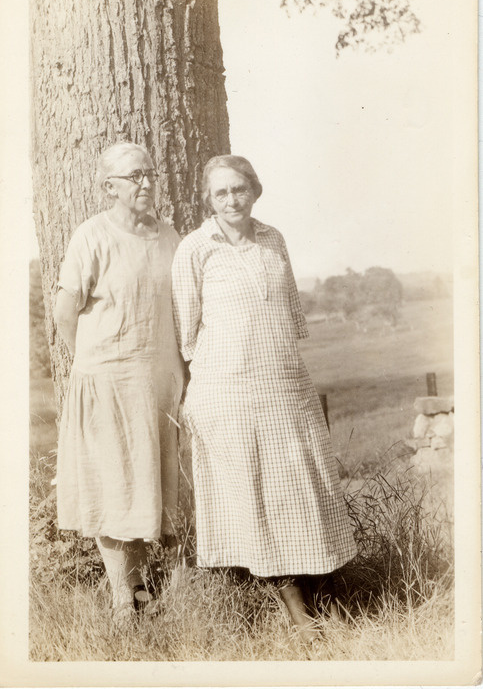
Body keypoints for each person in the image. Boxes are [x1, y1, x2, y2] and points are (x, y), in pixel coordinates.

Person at [171, 155, 357, 645]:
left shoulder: (274, 239)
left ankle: (327, 596)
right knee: (258, 498)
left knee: (305, 492)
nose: (232, 200)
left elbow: (292, 316)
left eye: (239, 189)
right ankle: (299, 616)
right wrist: (213, 379)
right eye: (220, 193)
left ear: (254, 190)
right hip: (228, 392)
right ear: (207, 199)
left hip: (287, 387)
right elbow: (186, 334)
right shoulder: (195, 249)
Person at [54, 142, 184, 626]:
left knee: (155, 485)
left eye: (150, 172)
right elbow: (65, 312)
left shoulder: (170, 236)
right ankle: (122, 601)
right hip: (108, 383)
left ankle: (157, 593)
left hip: (161, 384)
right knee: (114, 487)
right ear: (110, 187)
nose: (147, 182)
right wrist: (92, 366)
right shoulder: (92, 235)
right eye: (134, 176)